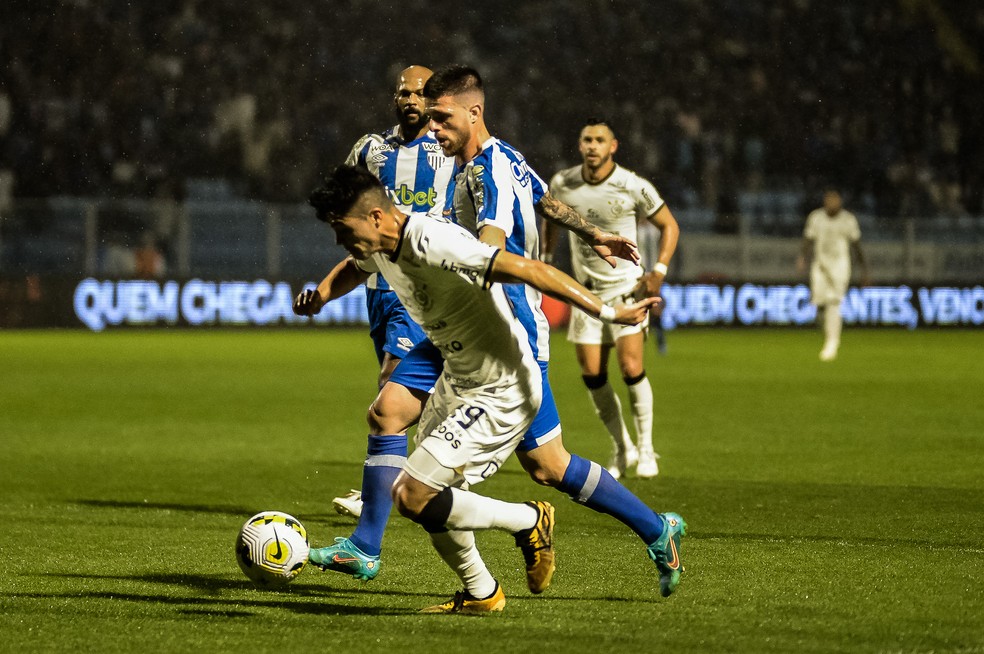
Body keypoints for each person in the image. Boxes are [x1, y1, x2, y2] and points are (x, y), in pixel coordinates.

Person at [297, 164, 677, 614]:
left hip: (502, 385)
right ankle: (481, 593)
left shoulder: (434, 241)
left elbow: (530, 269)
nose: (340, 240)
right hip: (457, 372)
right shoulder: (378, 243)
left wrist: (609, 314)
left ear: (376, 216)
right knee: (430, 481)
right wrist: (320, 295)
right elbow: (354, 265)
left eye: (342, 229)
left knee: (415, 493)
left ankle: (528, 520)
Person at [327, 65, 454, 522]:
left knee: (391, 385)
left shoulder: (448, 149)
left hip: (420, 284)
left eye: (420, 94)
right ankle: (427, 459)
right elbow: (341, 192)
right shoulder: (371, 148)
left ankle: (377, 491)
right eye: (404, 93)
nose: (411, 101)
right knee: (398, 387)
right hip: (377, 283)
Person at [544, 118, 680, 479]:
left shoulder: (632, 185)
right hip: (587, 293)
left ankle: (648, 449)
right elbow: (551, 217)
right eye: (586, 139)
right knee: (592, 374)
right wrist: (544, 258)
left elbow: (670, 225)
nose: (592, 146)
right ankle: (622, 447)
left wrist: (659, 271)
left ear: (613, 146)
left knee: (631, 367)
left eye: (599, 140)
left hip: (626, 289)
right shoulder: (562, 182)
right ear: (579, 145)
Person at [796, 189, 869, 361]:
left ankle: (832, 342)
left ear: (840, 202)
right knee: (820, 305)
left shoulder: (848, 220)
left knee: (834, 302)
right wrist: (802, 257)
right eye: (829, 201)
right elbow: (808, 239)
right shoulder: (816, 218)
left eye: (835, 201)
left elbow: (856, 246)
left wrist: (864, 270)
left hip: (839, 267)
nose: (832, 204)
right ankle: (829, 335)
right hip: (820, 266)